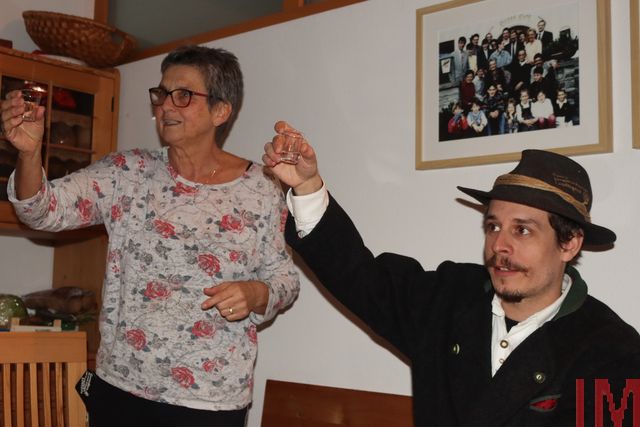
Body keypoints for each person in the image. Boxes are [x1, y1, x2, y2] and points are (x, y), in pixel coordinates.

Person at [0, 45, 300, 427]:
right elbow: (41, 209)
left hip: (209, 402)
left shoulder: (260, 188)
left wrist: (256, 293)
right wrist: (29, 154)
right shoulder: (127, 172)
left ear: (221, 111)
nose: (165, 106)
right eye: (161, 94)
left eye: (183, 95)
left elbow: (285, 279)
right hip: (120, 390)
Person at [262, 125, 640, 426]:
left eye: (522, 230)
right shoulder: (448, 298)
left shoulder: (614, 350)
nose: (499, 245)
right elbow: (359, 276)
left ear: (569, 243)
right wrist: (307, 187)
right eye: (493, 226)